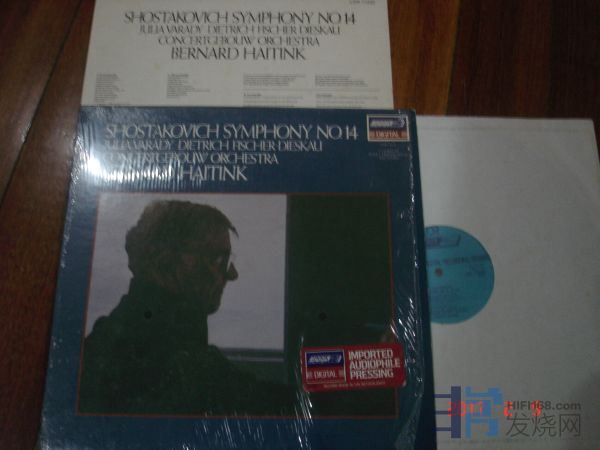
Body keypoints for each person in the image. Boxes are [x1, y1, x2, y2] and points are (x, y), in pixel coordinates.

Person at [79, 200, 293, 415]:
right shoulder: (183, 365)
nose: (231, 274)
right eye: (218, 259)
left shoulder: (106, 339)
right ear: (164, 261)